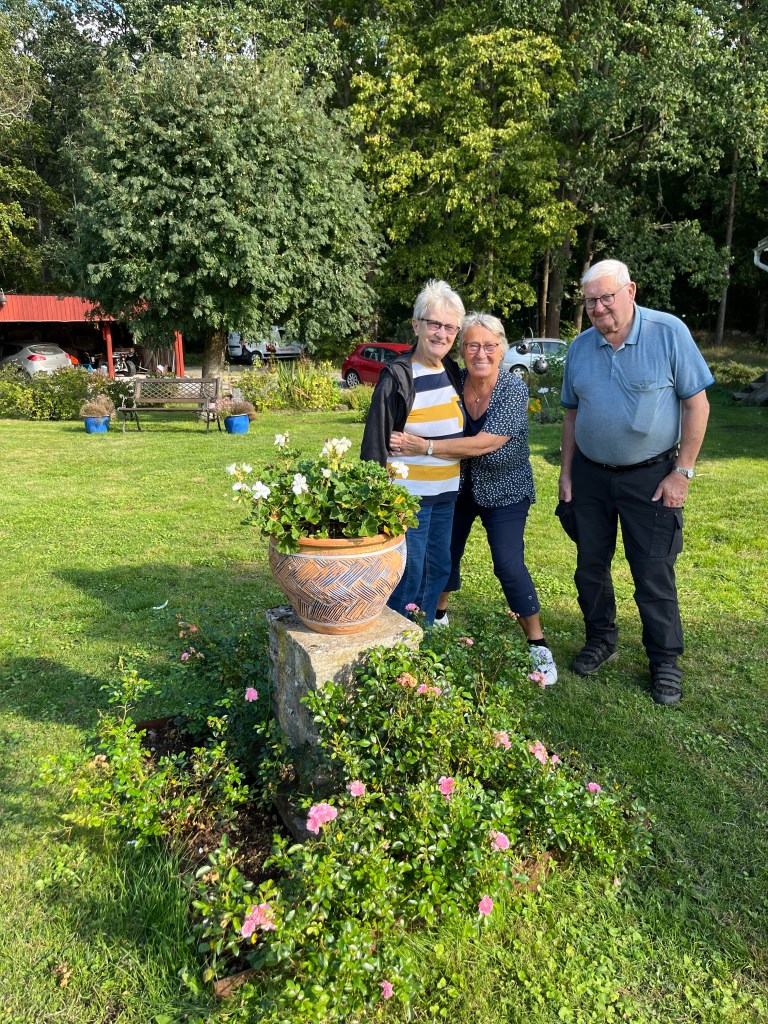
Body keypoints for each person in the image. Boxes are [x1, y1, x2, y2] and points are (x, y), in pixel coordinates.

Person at [558, 259, 714, 705]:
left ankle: (664, 661)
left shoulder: (668, 332)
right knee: (590, 567)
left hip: (652, 476)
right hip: (590, 476)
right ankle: (600, 639)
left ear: (630, 291)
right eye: (590, 301)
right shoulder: (580, 347)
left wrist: (682, 472)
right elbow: (571, 415)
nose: (599, 308)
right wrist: (567, 474)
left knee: (653, 572)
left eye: (607, 297)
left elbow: (697, 405)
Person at [390, 312, 557, 685]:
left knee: (508, 564)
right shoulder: (455, 379)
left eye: (489, 346)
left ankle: (537, 643)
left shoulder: (513, 389)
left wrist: (425, 447)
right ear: (462, 350)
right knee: (443, 554)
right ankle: (439, 615)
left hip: (506, 489)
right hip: (459, 486)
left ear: (502, 348)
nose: (481, 353)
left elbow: (486, 443)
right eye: (472, 345)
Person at [361, 280, 465, 625]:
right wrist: (375, 497)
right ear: (416, 325)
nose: (441, 333)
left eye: (450, 327)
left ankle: (424, 637)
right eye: (434, 324)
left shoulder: (451, 371)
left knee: (438, 569)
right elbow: (374, 443)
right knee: (410, 574)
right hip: (408, 499)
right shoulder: (398, 376)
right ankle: (399, 643)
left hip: (445, 496)